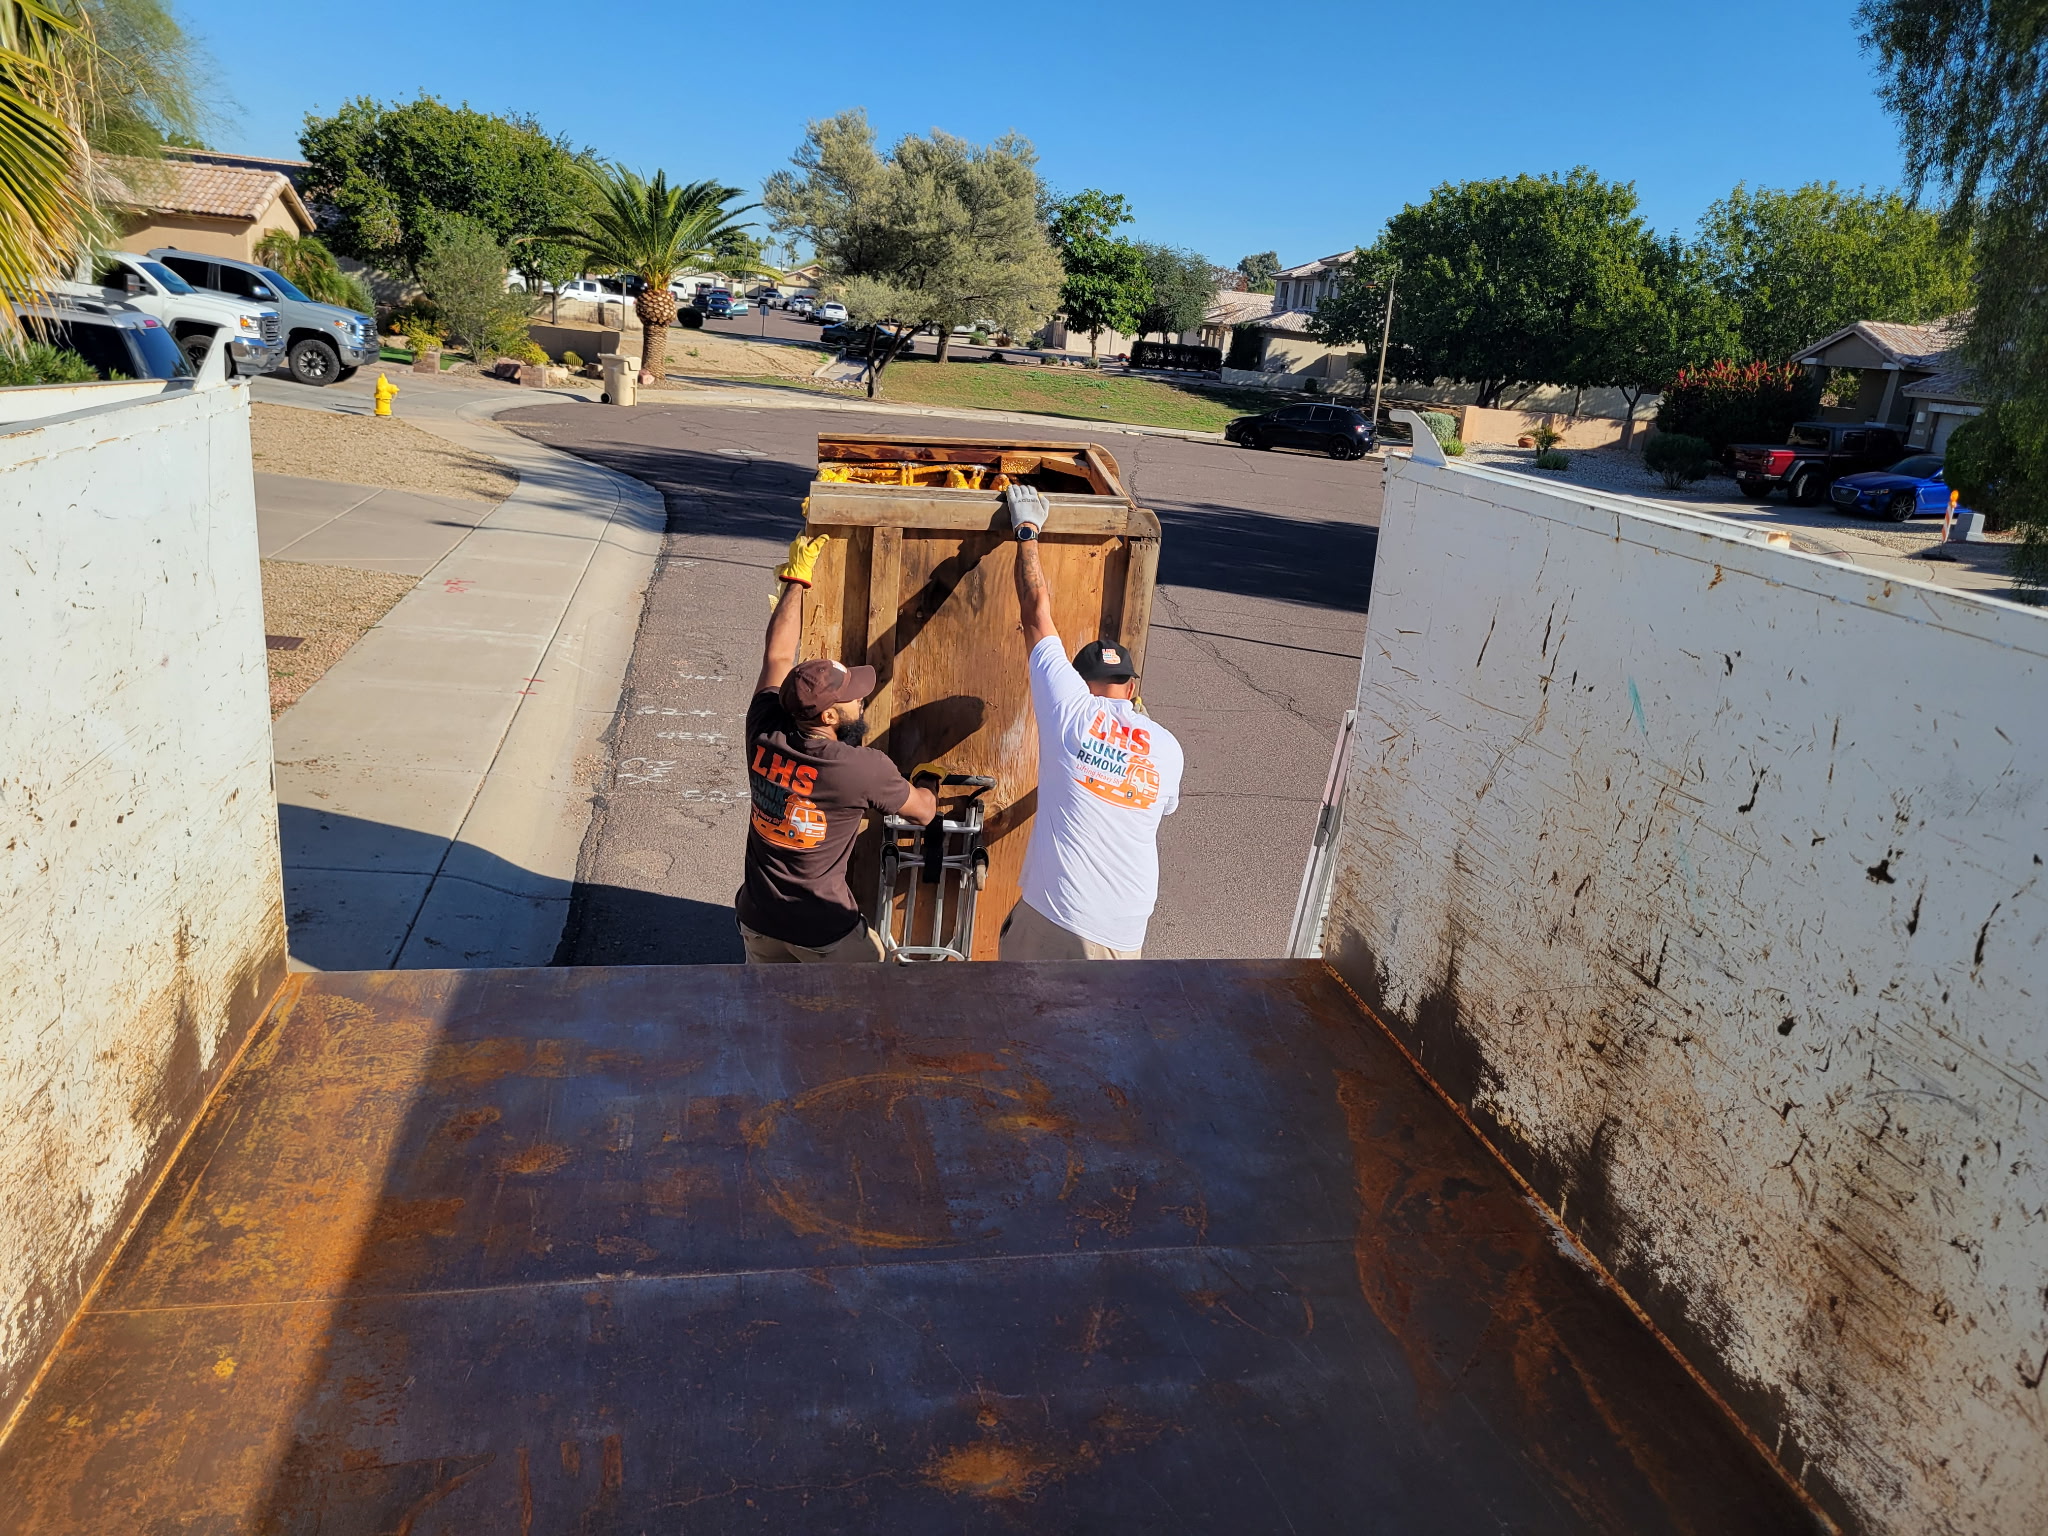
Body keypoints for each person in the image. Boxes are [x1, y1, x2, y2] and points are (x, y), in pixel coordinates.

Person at [999, 484, 1184, 960]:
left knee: (1023, 1027)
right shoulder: (1166, 747)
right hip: (1126, 930)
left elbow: (1036, 610)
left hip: (1060, 919)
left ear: (1080, 680)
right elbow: (1155, 807)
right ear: (1132, 688)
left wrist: (1026, 533)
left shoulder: (1071, 708)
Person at [736, 533, 937, 962]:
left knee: (769, 1018)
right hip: (823, 930)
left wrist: (796, 580)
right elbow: (923, 811)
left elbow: (776, 656)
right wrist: (927, 785)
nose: (860, 699)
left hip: (758, 918)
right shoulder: (861, 768)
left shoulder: (764, 726)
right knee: (862, 1011)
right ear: (828, 717)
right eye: (851, 697)